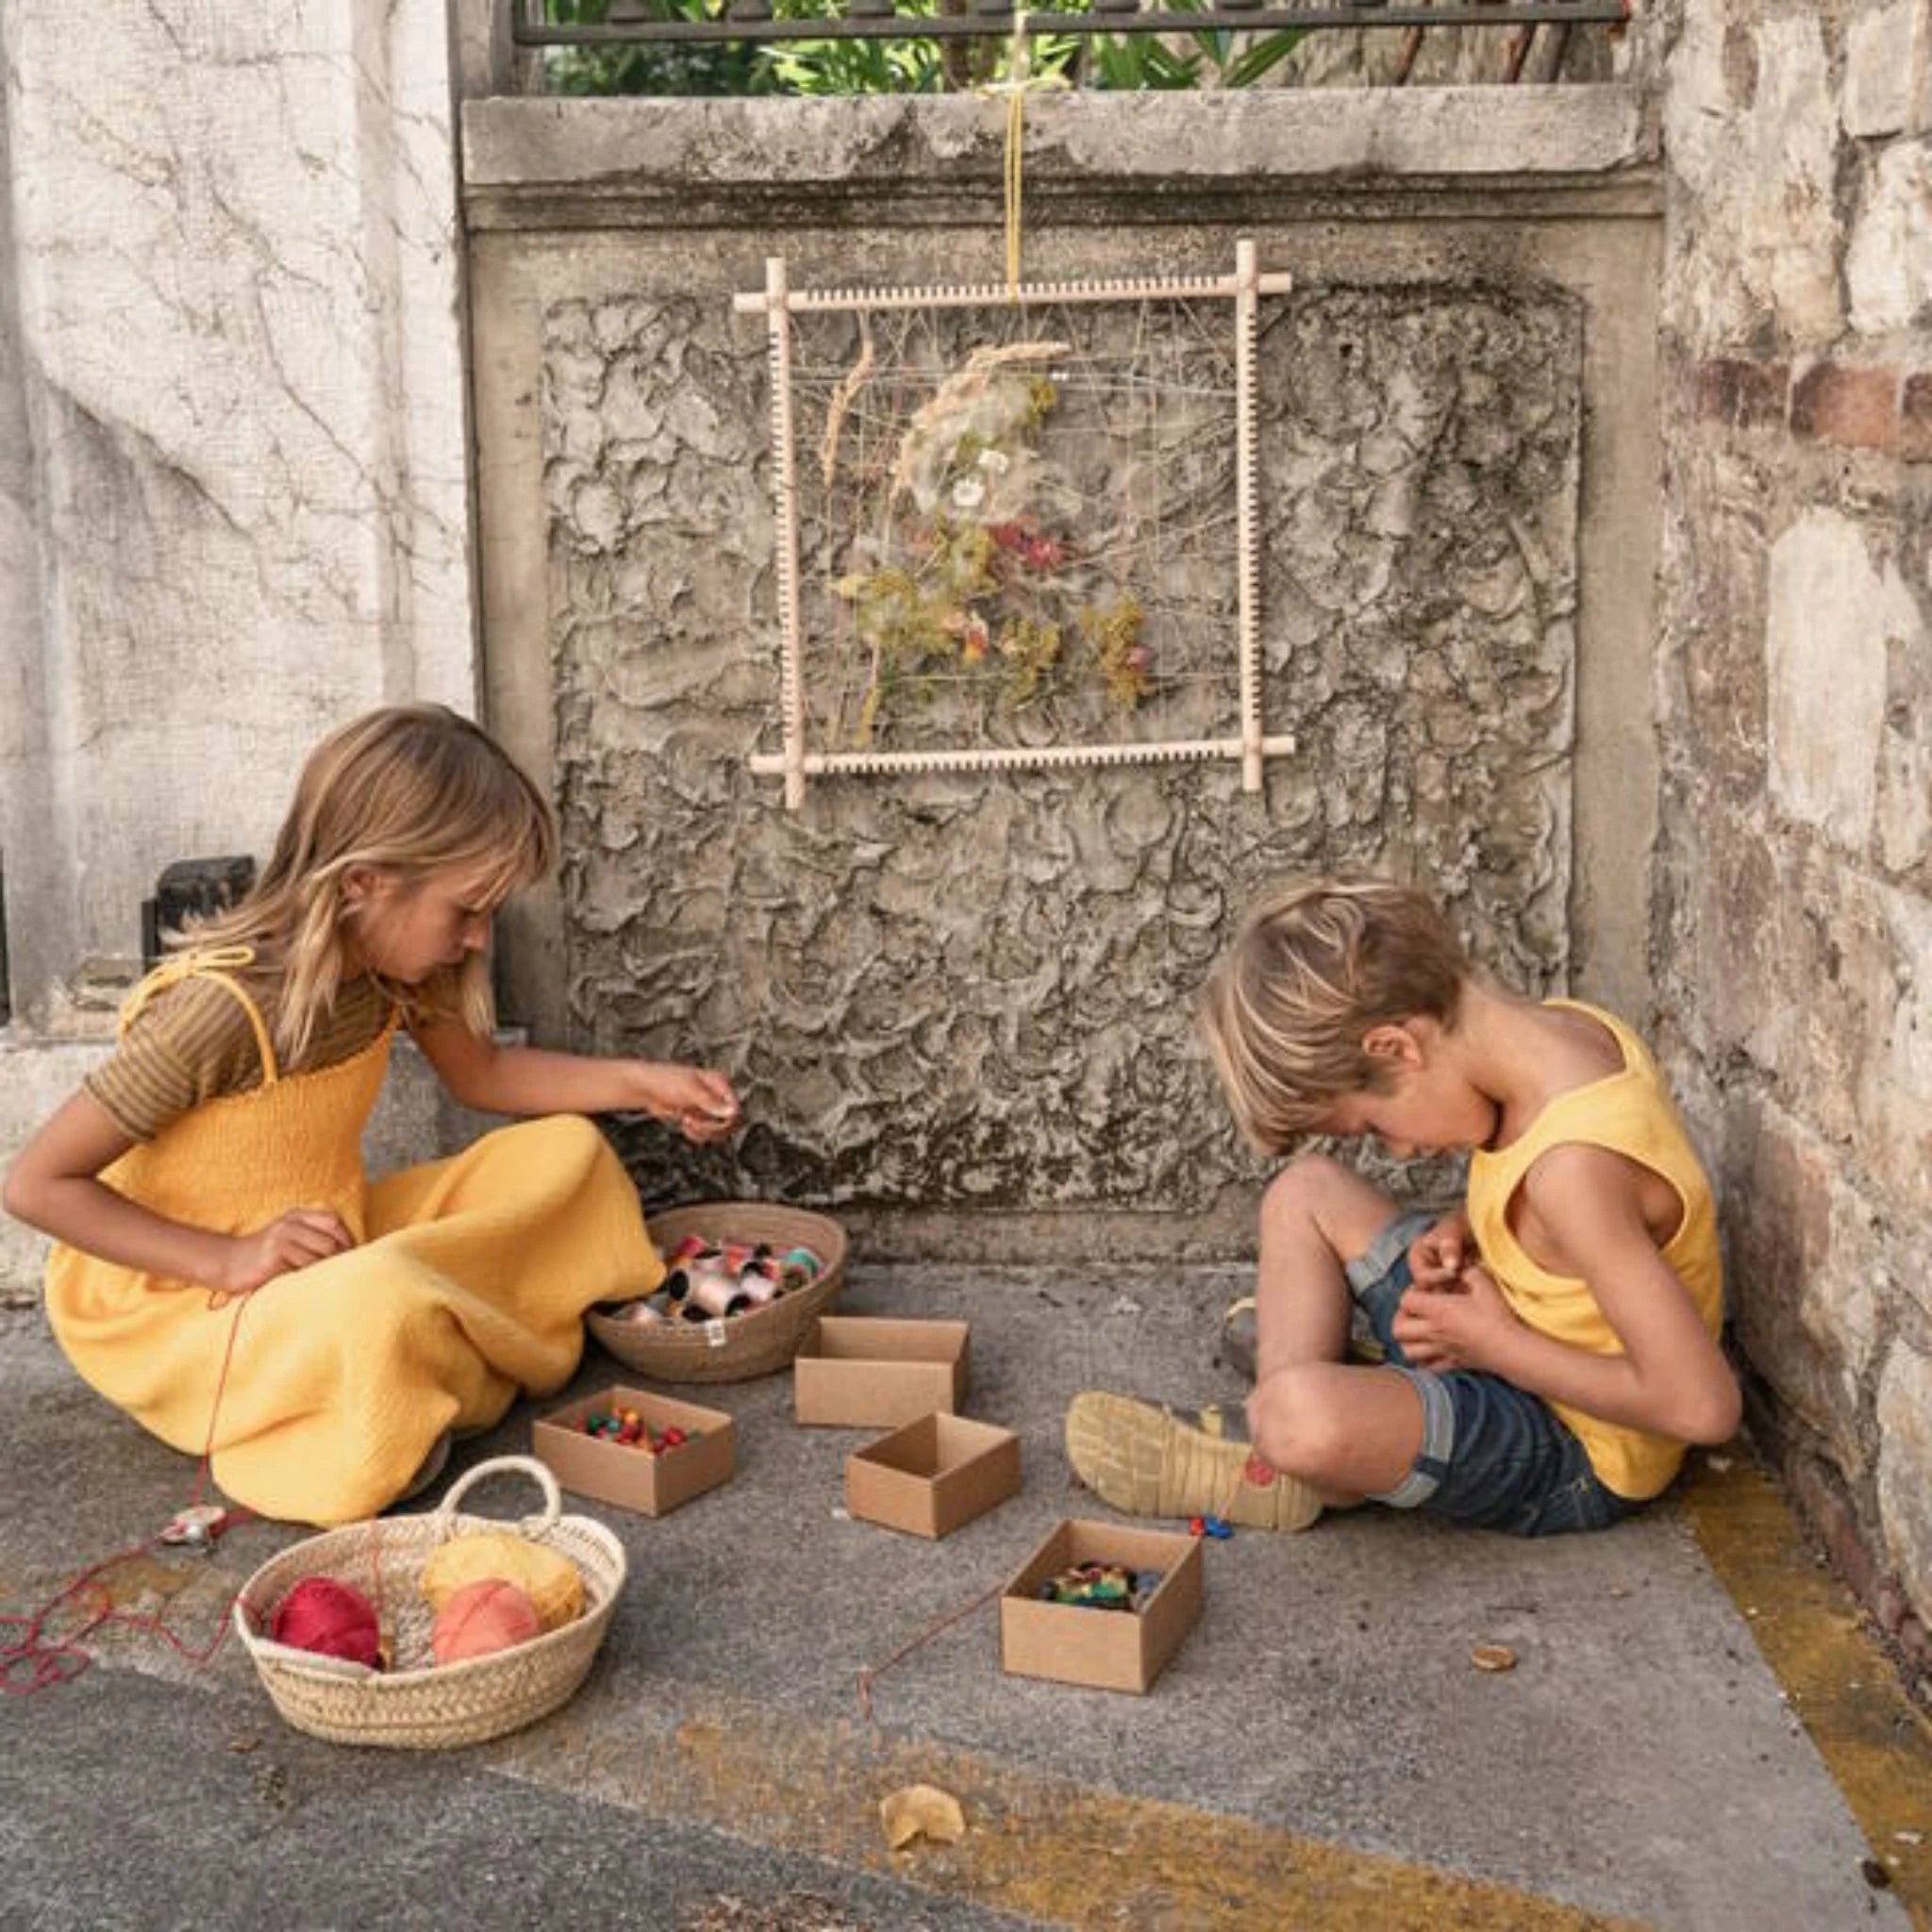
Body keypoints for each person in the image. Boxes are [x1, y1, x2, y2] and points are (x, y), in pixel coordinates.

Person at [2, 704, 741, 1526]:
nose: (477, 938)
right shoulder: (221, 1011)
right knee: (380, 1296)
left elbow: (486, 1074)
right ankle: (402, 1380)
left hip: (323, 1242)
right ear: (363, 884)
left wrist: (644, 1085)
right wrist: (227, 1260)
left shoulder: (394, 969)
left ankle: (417, 1360)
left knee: (563, 1153)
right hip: (188, 1299)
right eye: (465, 911)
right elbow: (37, 1185)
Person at [1065, 874, 1740, 1539]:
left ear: (1394, 1047)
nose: (1399, 1151)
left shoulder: (1575, 1173)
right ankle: (1325, 1407)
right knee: (1306, 1191)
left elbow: (1701, 1406)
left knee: (1299, 1416)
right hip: (1500, 1336)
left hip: (1573, 1444)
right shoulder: (1567, 1034)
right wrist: (1469, 1232)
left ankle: (1292, 1452)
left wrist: (1497, 1345)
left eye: (1375, 1128)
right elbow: (1542, 1220)